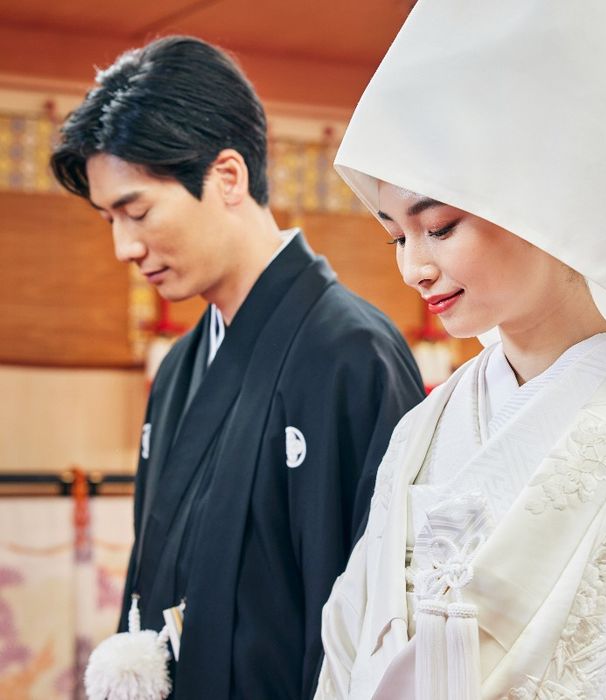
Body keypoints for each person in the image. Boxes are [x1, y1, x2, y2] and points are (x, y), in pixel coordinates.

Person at [315, 0, 606, 698]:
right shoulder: (421, 430)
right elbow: (347, 647)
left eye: (440, 226)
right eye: (395, 235)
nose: (414, 268)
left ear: (549, 204)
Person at [50, 35, 425, 699]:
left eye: (137, 211)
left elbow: (378, 618)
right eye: (109, 219)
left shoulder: (349, 355)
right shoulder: (179, 368)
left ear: (227, 176)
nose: (124, 247)